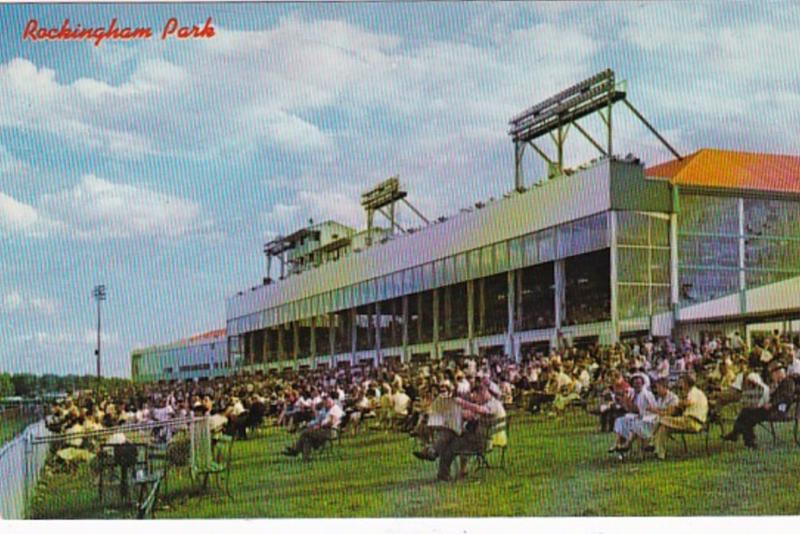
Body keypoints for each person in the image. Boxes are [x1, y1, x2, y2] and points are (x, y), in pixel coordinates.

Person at [412, 383, 505, 482]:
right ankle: (433, 452)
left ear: (482, 393)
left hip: (481, 442)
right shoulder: (493, 403)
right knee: (450, 432)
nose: (476, 401)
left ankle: (436, 458)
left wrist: (463, 403)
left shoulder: (493, 405)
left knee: (449, 444)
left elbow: (482, 410)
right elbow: (478, 414)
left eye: (476, 397)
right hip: (480, 437)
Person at [723, 361, 795, 449]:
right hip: (774, 409)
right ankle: (742, 437)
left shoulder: (788, 382)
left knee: (748, 414)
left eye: (772, 375)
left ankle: (743, 438)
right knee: (747, 412)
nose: (772, 378)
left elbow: (785, 397)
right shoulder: (784, 383)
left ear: (777, 373)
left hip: (779, 411)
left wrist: (771, 404)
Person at [651, 373, 708, 460]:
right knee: (663, 427)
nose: (680, 385)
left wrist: (680, 403)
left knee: (661, 419)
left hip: (692, 422)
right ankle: (659, 454)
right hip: (687, 421)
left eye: (682, 383)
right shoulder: (693, 392)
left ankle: (651, 441)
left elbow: (689, 402)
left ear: (686, 383)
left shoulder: (693, 392)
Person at [282, 395, 343, 460]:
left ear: (331, 402)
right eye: (324, 402)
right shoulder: (325, 409)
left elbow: (331, 422)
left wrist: (319, 426)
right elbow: (317, 419)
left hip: (330, 431)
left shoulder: (335, 409)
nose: (325, 404)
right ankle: (305, 458)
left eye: (327, 402)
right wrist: (309, 424)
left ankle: (295, 451)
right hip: (322, 430)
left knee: (305, 433)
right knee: (307, 439)